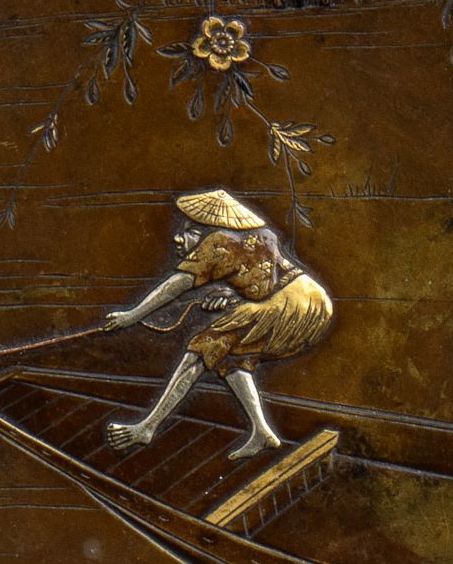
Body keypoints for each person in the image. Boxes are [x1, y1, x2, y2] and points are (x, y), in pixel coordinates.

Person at [102, 190, 334, 463]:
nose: (178, 238)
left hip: (288, 305)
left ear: (208, 233)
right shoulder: (262, 235)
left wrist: (132, 315)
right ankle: (262, 431)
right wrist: (233, 294)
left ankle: (147, 427)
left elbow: (174, 286)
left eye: (189, 232)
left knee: (202, 348)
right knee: (229, 356)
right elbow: (263, 282)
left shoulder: (217, 243)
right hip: (314, 301)